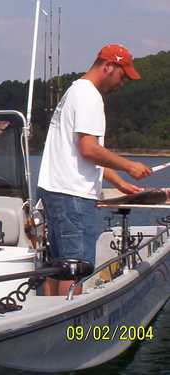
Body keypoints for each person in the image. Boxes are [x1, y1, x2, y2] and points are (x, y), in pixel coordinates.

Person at [37, 44, 152, 296]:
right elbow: (88, 148)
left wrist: (118, 181)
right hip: (72, 196)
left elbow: (82, 153)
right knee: (75, 267)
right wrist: (129, 165)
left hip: (57, 191)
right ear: (109, 67)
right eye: (122, 76)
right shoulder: (90, 96)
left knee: (60, 265)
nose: (121, 83)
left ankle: (54, 315)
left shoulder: (74, 91)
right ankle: (68, 322)